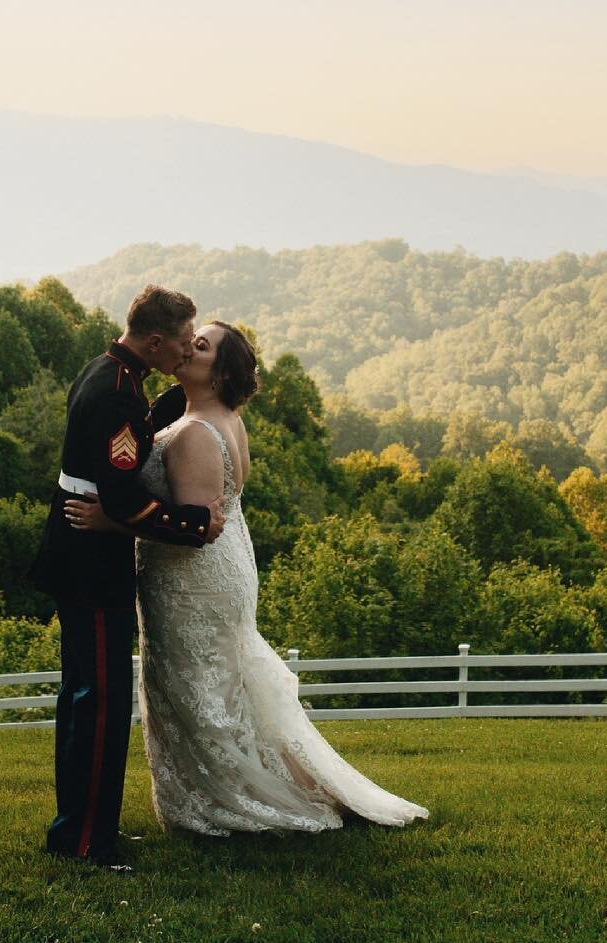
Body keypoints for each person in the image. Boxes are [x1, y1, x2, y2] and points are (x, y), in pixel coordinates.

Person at [67, 322, 428, 836]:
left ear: (220, 373)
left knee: (198, 689)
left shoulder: (194, 432)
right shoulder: (222, 418)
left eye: (202, 346)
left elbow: (196, 528)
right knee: (220, 681)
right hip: (226, 569)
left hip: (192, 578)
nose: (189, 347)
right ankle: (269, 782)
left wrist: (111, 519)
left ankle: (229, 799)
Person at [30, 285, 227, 870]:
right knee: (101, 704)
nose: (187, 351)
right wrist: (193, 523)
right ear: (156, 340)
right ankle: (89, 842)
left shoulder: (110, 370)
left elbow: (132, 427)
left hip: (78, 551)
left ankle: (75, 828)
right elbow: (121, 497)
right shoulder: (118, 392)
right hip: (91, 558)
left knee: (82, 697)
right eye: (183, 342)